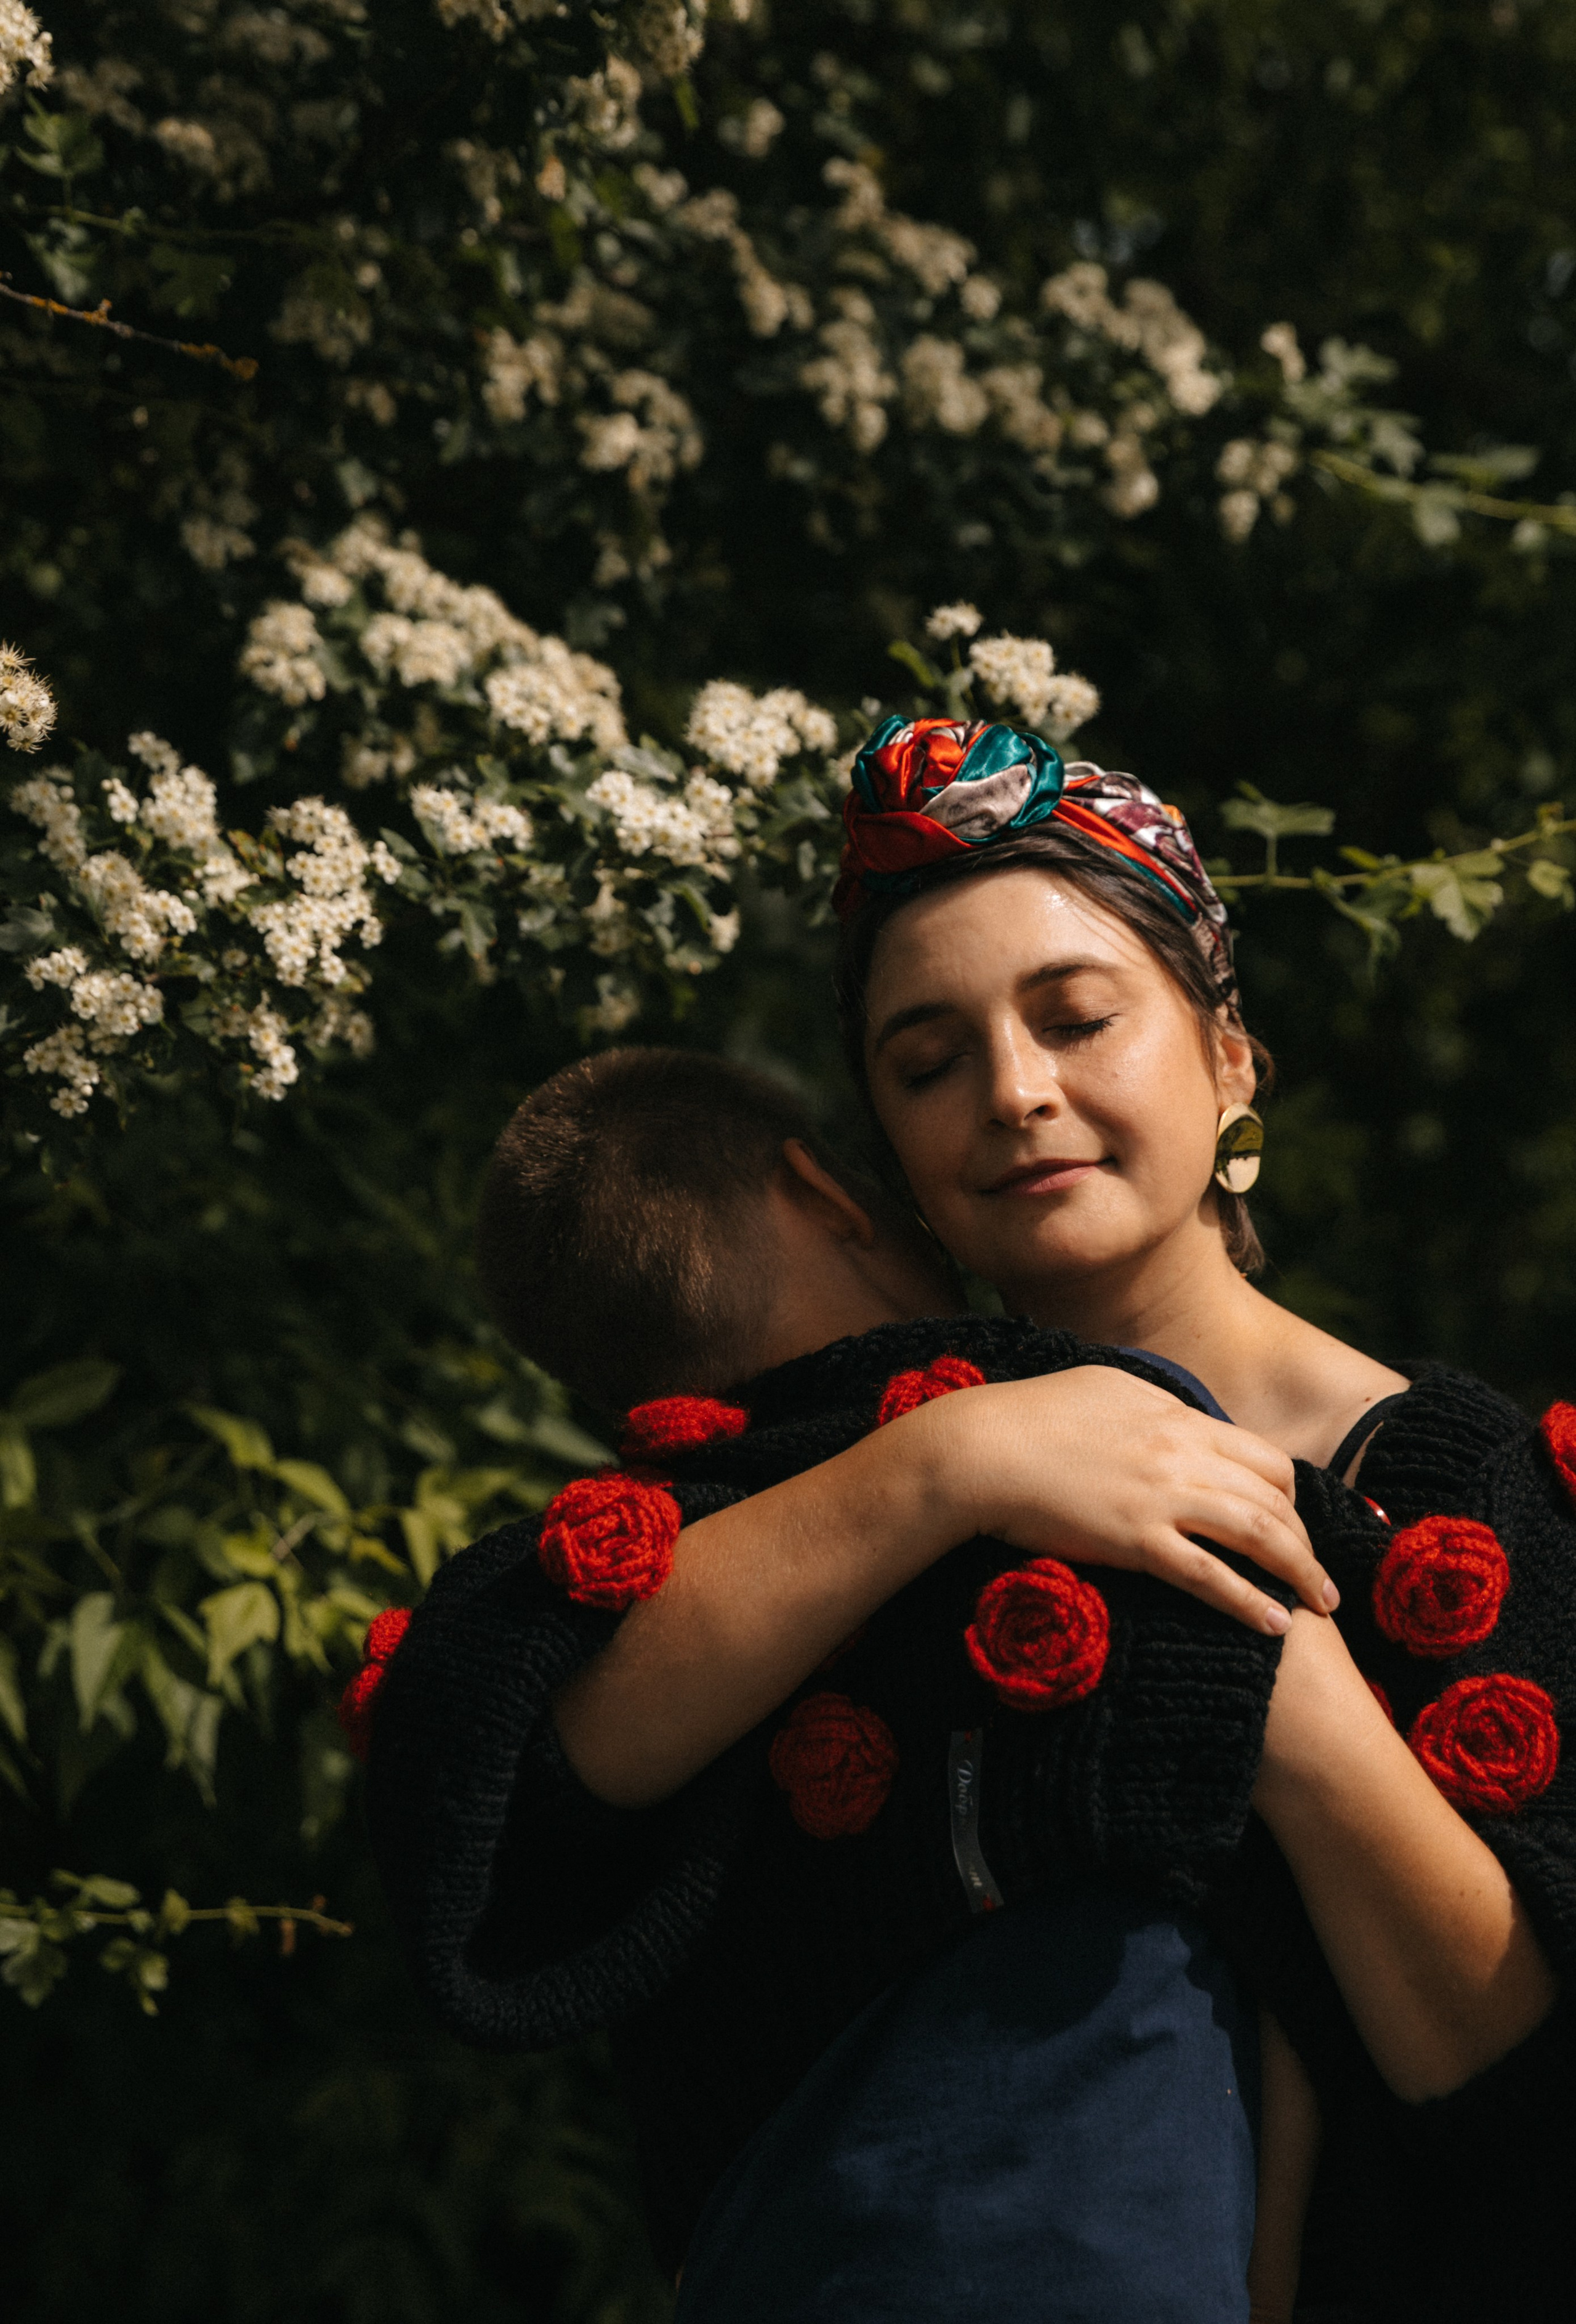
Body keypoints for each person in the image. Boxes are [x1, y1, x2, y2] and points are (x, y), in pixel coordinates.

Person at [367, 717, 1576, 2323]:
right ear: (880, 1164)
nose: (1014, 1092)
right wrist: (948, 1468)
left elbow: (1532, 2110)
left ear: (1229, 1059)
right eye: (928, 1063)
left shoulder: (1463, 1496)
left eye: (1077, 1018)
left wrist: (1280, 1700)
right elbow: (498, 1784)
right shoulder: (820, 1470)